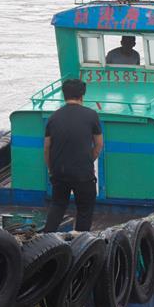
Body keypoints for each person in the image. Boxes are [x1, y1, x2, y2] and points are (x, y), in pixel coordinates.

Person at [43, 79, 104, 233]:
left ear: (64, 95)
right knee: (84, 209)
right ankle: (80, 243)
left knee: (58, 205)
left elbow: (47, 148)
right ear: (82, 95)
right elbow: (98, 144)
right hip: (83, 173)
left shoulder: (54, 117)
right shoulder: (91, 115)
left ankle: (46, 237)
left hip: (59, 172)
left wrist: (52, 169)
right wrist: (89, 160)